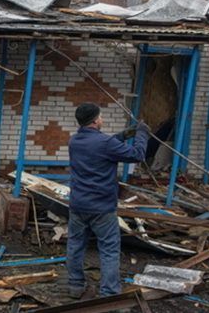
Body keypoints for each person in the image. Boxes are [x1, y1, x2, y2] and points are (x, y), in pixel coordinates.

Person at [67, 102, 149, 298]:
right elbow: (137, 155)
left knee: (75, 245)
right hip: (102, 208)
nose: (102, 119)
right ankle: (109, 293)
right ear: (96, 121)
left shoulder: (74, 141)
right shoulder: (105, 144)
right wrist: (142, 134)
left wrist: (125, 134)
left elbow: (102, 145)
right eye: (101, 116)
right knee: (109, 250)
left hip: (78, 205)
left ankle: (75, 286)